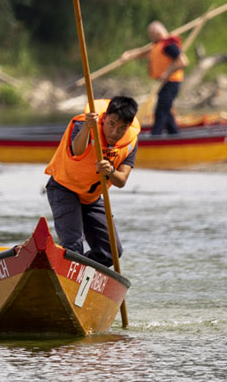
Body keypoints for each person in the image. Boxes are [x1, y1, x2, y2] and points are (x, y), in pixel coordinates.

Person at [44, 96, 139, 267]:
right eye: (112, 125)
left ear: (129, 126)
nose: (115, 133)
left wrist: (110, 171)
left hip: (91, 197)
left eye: (122, 128)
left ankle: (74, 271)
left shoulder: (130, 142)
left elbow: (121, 181)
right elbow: (77, 151)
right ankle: (67, 266)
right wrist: (88, 127)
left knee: (112, 253)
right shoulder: (84, 124)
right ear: (105, 119)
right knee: (73, 245)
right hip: (64, 188)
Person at [122, 21, 188, 135]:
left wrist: (167, 73)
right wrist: (128, 55)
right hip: (164, 82)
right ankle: (174, 133)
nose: (150, 37)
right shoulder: (158, 44)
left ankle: (155, 135)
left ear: (156, 33)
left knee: (161, 110)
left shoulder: (168, 45)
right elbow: (142, 52)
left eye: (150, 34)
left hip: (171, 82)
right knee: (166, 109)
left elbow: (183, 62)